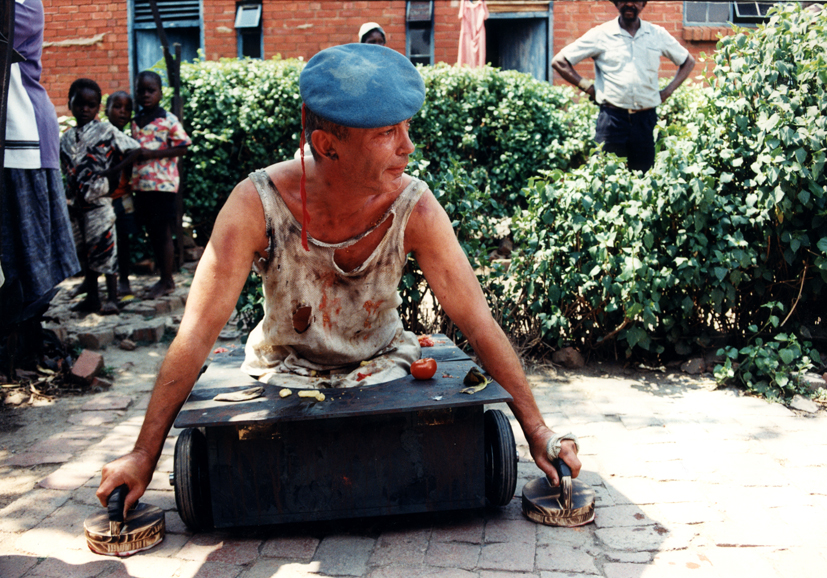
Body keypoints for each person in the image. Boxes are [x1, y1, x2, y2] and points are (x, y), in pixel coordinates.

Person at [97, 44, 581, 516]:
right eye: (388, 133)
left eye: (407, 128)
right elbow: (197, 333)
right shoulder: (255, 203)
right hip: (281, 369)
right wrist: (143, 454)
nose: (408, 146)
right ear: (327, 145)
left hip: (384, 363)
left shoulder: (416, 206)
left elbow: (477, 321)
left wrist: (538, 430)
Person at [1, 0, 80, 334]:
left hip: (21, 133)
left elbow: (9, 29)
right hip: (12, 135)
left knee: (26, 260)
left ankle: (24, 343)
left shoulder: (23, 4)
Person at [551, 0, 695, 172]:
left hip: (645, 121)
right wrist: (589, 88)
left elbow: (688, 61)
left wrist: (667, 92)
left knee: (645, 181)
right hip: (612, 120)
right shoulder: (601, 34)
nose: (629, 4)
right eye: (624, 0)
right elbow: (560, 62)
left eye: (635, 0)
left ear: (643, 3)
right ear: (616, 3)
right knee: (604, 177)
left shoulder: (657, 34)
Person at [60, 79, 142, 314]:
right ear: (70, 104)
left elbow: (134, 148)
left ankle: (113, 298)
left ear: (97, 108)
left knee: (106, 249)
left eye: (91, 105)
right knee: (85, 253)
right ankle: (92, 298)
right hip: (76, 206)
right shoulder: (66, 138)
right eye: (80, 104)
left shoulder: (105, 130)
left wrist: (114, 170)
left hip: (100, 203)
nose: (85, 109)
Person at [130, 70, 190, 300]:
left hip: (162, 186)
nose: (146, 94)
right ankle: (162, 278)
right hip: (141, 186)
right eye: (141, 90)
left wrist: (152, 153)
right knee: (152, 233)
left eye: (151, 90)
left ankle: (167, 281)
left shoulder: (168, 119)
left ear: (160, 92)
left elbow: (183, 146)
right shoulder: (136, 121)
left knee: (163, 232)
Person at [105, 91, 138, 299]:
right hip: (103, 200)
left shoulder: (129, 138)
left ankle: (124, 281)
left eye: (127, 108)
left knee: (124, 241)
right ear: (106, 109)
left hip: (123, 197)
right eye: (117, 106)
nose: (122, 112)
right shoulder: (101, 134)